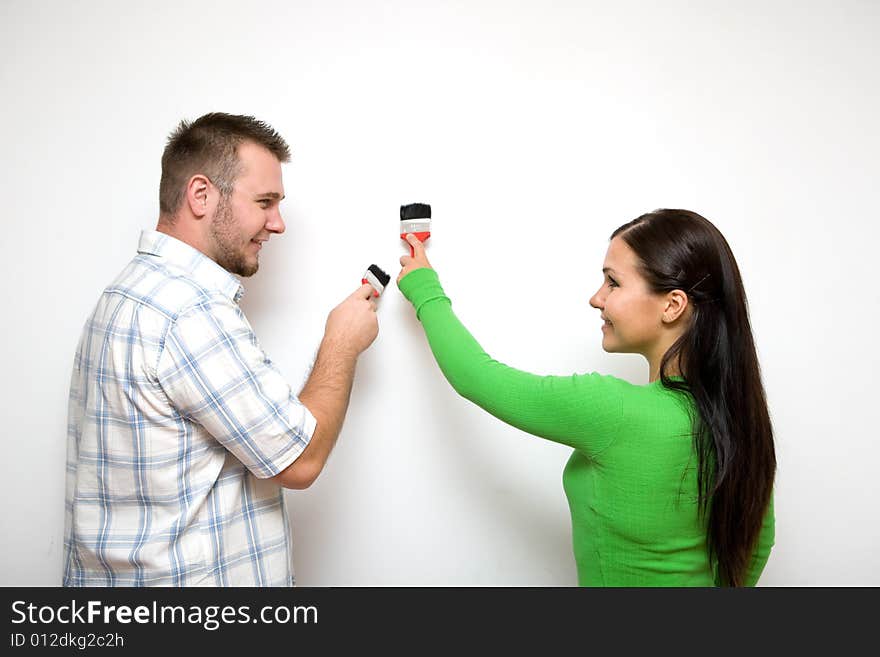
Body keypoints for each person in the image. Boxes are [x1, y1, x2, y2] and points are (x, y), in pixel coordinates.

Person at [64, 113, 379, 586]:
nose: (278, 223)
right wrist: (342, 342)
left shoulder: (126, 291)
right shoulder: (189, 312)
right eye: (265, 201)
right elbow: (301, 460)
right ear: (201, 195)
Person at [397, 209, 776, 586]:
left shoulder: (614, 410)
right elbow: (758, 545)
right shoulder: (741, 420)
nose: (596, 299)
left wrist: (424, 287)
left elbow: (477, 377)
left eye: (613, 283)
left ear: (672, 305)